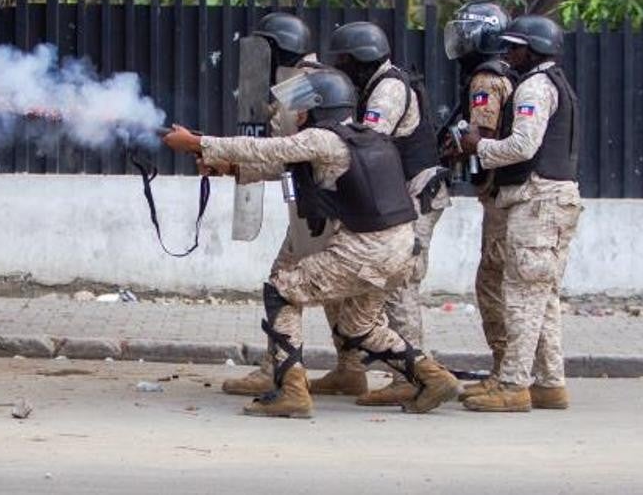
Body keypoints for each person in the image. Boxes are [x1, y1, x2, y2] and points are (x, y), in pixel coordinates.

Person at [164, 69, 462, 418]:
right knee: (359, 327)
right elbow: (290, 168)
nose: (298, 117)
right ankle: (434, 377)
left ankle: (292, 390)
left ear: (322, 107)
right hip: (398, 247)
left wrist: (199, 143)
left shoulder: (324, 139)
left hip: (366, 249)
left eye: (303, 110)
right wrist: (229, 169)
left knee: (282, 290)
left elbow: (267, 149)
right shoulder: (364, 136)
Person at [310, 21, 451, 406]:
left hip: (414, 197)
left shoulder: (388, 89)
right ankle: (351, 370)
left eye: (342, 60)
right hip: (394, 200)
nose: (339, 67)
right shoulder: (374, 83)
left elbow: (366, 140)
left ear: (359, 59)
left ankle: (411, 376)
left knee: (398, 286)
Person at [455, 16, 582, 412]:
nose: (507, 54)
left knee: (522, 294)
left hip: (537, 198)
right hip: (554, 197)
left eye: (514, 47)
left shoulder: (535, 87)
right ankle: (549, 382)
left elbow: (524, 145)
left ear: (532, 50)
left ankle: (512, 385)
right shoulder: (554, 82)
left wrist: (479, 147)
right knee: (542, 296)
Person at [217, 12, 329, 396]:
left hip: (322, 208)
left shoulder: (296, 86)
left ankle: (277, 371)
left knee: (281, 283)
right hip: (332, 205)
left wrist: (231, 162)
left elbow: (287, 155)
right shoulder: (313, 78)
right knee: (341, 297)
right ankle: (350, 369)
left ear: (276, 49)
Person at [438, 1, 516, 394]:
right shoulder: (510, 71)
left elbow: (479, 138)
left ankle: (506, 370)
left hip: (503, 196)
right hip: (509, 194)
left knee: (492, 282)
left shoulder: (485, 79)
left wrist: (455, 147)